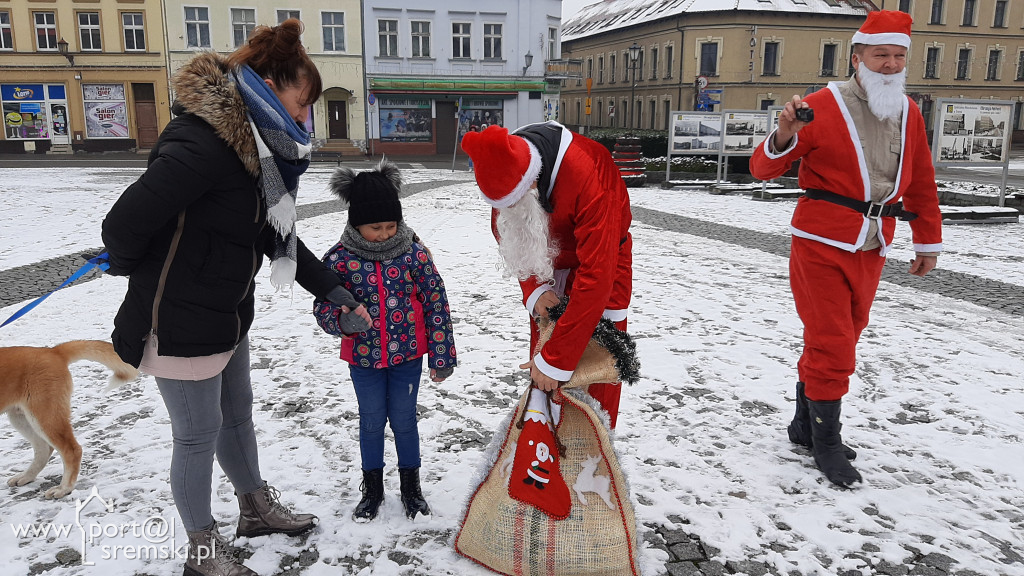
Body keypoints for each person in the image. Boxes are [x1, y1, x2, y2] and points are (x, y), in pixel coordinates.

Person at [101, 19, 371, 576]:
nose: (305, 120)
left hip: (225, 313)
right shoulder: (203, 143)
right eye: (302, 105)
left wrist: (333, 290)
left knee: (236, 418)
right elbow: (123, 224)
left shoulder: (255, 151)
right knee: (196, 436)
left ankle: (253, 507)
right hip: (176, 321)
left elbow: (273, 234)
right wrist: (142, 276)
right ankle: (202, 550)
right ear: (269, 86)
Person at [749, 10, 943, 488]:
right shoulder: (821, 104)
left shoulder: (909, 111)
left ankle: (803, 426)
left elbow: (919, 178)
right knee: (833, 342)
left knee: (842, 336)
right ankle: (828, 443)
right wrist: (785, 133)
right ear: (858, 56)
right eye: (881, 55)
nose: (891, 64)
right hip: (820, 241)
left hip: (874, 242)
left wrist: (927, 239)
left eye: (899, 56)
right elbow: (762, 169)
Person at [460, 122, 632, 429]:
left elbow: (597, 275)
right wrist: (534, 289)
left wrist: (557, 360)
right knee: (543, 375)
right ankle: (546, 448)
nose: (504, 210)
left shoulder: (588, 170)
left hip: (602, 263)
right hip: (547, 265)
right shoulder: (505, 167)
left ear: (532, 184)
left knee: (598, 370)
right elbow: (510, 235)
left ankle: (594, 459)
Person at [313, 159, 457, 522]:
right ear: (356, 223)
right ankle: (372, 489)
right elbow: (322, 306)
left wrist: (442, 356)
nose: (385, 233)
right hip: (364, 361)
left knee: (405, 421)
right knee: (372, 421)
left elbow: (436, 303)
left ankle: (411, 487)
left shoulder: (414, 253)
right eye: (376, 227)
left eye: (391, 225)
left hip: (408, 357)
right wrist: (343, 322)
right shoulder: (341, 259)